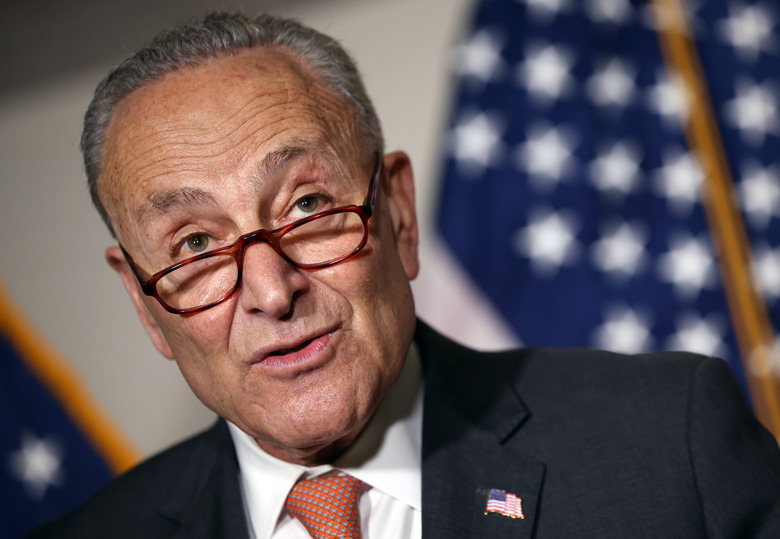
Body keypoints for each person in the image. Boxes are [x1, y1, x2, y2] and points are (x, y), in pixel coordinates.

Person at [28, 11, 780, 539]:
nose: (271, 291)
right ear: (145, 304)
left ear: (398, 214)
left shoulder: (669, 445)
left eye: (307, 204)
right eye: (195, 245)